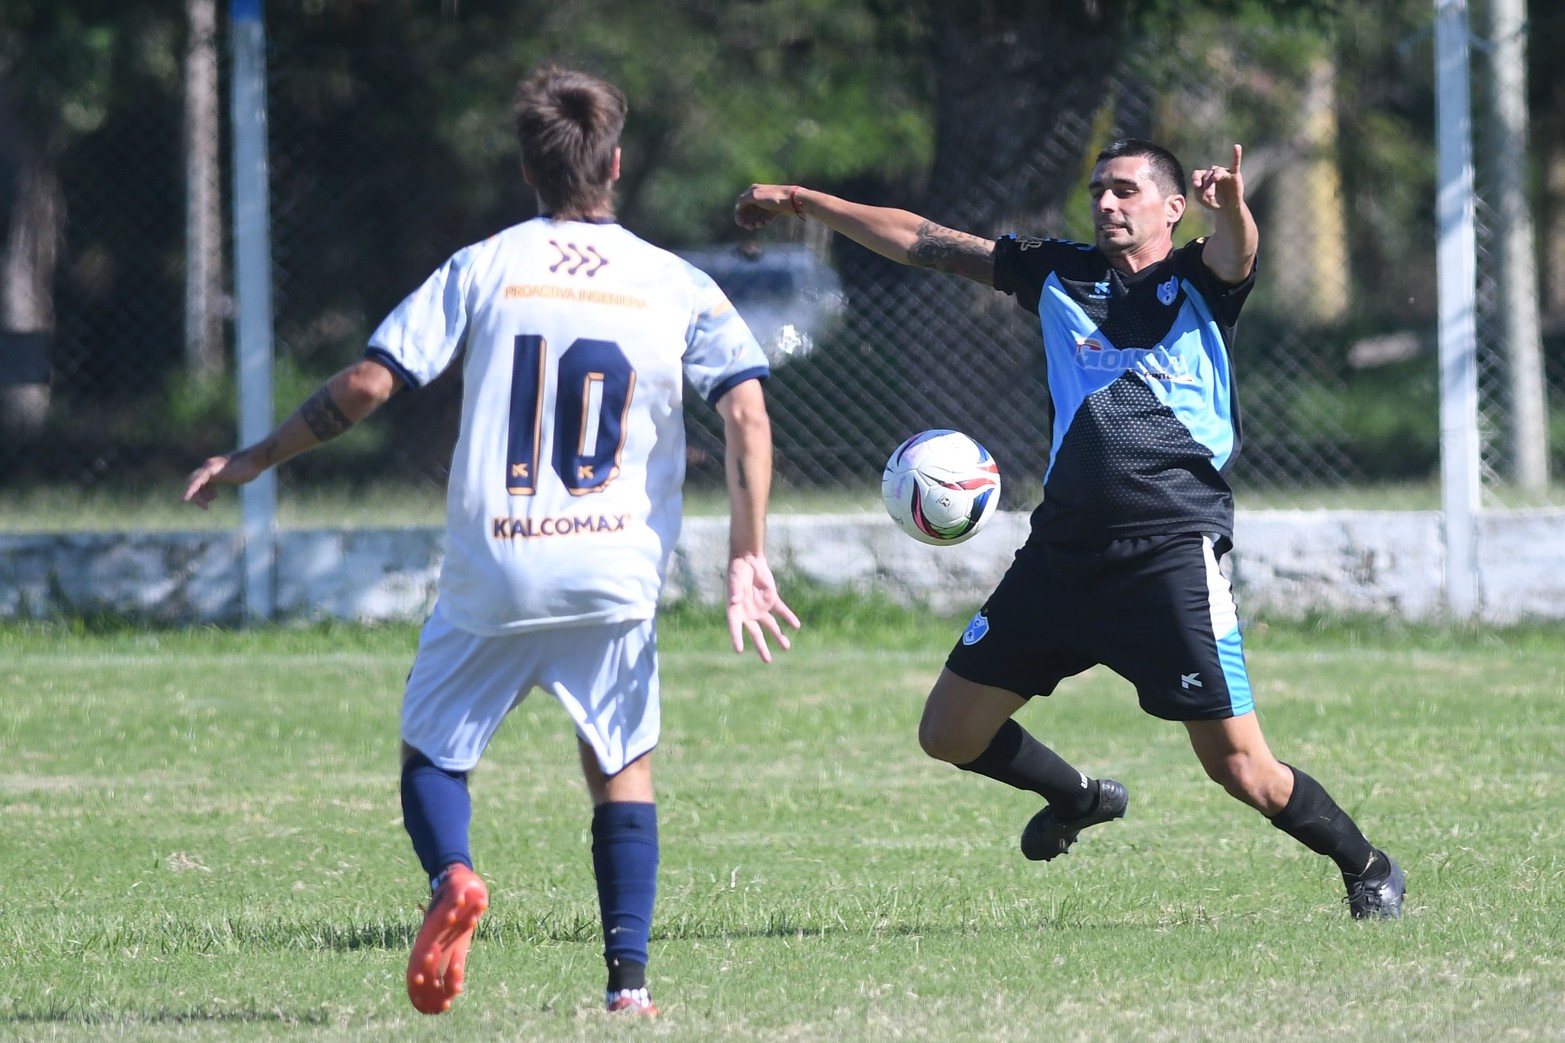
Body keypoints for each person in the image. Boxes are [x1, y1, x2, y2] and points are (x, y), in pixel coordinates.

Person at [186, 65, 801, 1018]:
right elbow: (750, 415)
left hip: (496, 565)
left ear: (527, 168)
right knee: (619, 766)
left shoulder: (485, 265)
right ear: (618, 164)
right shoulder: (675, 281)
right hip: (614, 568)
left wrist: (256, 458)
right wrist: (745, 555)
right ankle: (627, 986)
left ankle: (454, 877)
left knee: (432, 754)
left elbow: (367, 385)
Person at [734, 139, 1405, 919]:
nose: (1107, 204)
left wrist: (1234, 208)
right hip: (1062, 554)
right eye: (1098, 191)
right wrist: (808, 201)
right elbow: (922, 240)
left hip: (1168, 558)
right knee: (947, 732)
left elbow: (1237, 248)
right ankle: (1079, 797)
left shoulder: (1198, 280)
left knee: (1241, 770)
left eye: (1125, 190)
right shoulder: (1058, 272)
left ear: (1171, 207)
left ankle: (1367, 865)